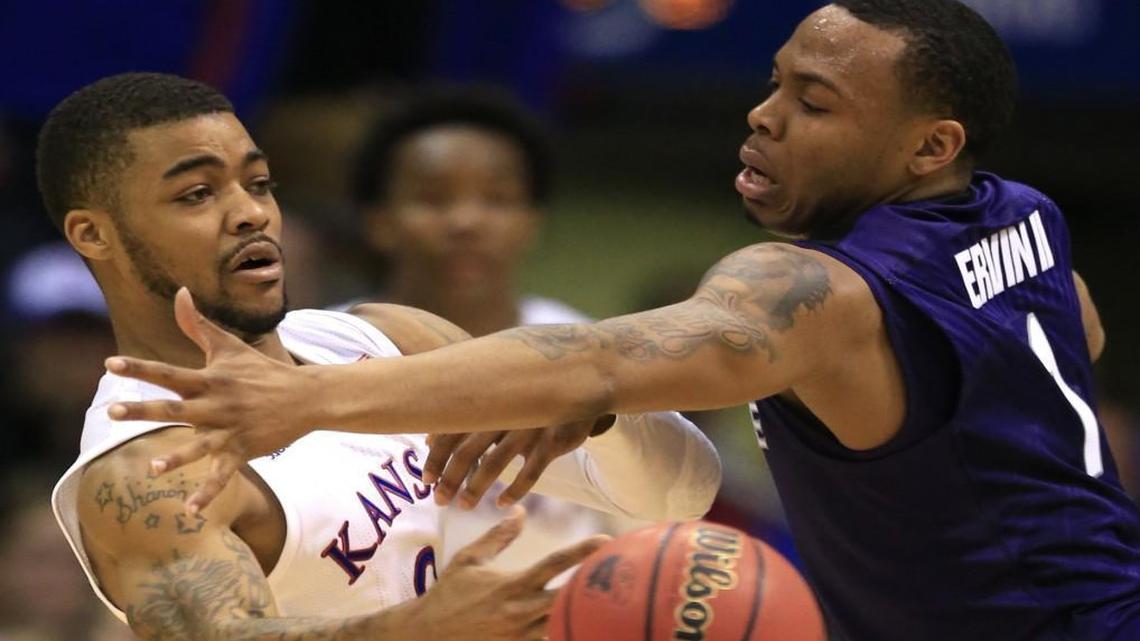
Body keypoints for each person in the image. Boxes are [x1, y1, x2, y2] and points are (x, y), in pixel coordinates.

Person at [108, 2, 1138, 640]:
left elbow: (598, 355)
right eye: (774, 82)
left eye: (814, 103)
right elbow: (1075, 329)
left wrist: (308, 399)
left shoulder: (812, 288)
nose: (764, 116)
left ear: (928, 145)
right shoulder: (1019, 215)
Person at [39, 72, 721, 641]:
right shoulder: (141, 473)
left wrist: (595, 413)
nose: (250, 213)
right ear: (93, 233)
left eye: (260, 182)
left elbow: (683, 491)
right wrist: (411, 629)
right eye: (196, 194)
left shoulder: (382, 338)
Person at [348, 87, 657, 571]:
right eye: (433, 199)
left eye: (497, 199)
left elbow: (648, 538)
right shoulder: (317, 347)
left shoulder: (594, 356)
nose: (466, 221)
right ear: (378, 220)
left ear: (532, 220)